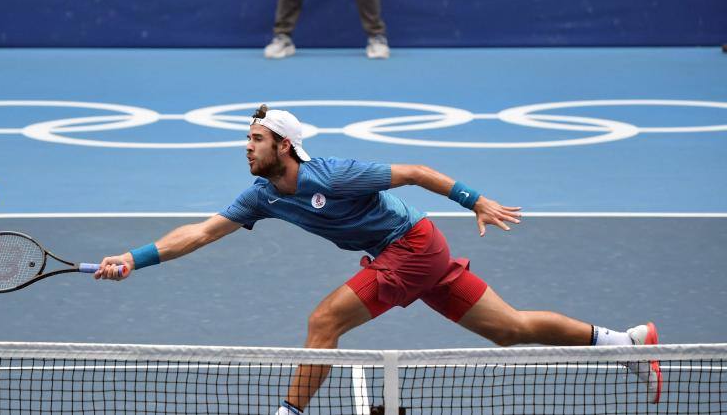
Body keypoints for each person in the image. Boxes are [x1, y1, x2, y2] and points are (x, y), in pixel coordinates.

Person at [95, 105, 663, 413]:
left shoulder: (332, 174)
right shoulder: (262, 196)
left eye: (255, 139)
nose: (246, 146)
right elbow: (198, 233)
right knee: (509, 329)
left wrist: (477, 201)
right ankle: (625, 342)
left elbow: (415, 172)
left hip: (412, 247)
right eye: (246, 139)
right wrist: (131, 257)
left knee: (324, 322)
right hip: (413, 255)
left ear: (283, 146)